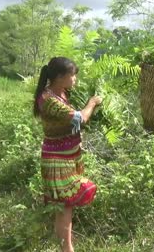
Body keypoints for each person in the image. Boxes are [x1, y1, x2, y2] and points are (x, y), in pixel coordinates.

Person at [33, 57, 102, 252]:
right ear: (60, 77)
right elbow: (80, 118)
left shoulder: (61, 93)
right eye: (73, 75)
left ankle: (66, 247)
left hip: (68, 157)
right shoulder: (48, 100)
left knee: (63, 206)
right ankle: (68, 249)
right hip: (57, 160)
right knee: (65, 205)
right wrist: (93, 102)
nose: (75, 79)